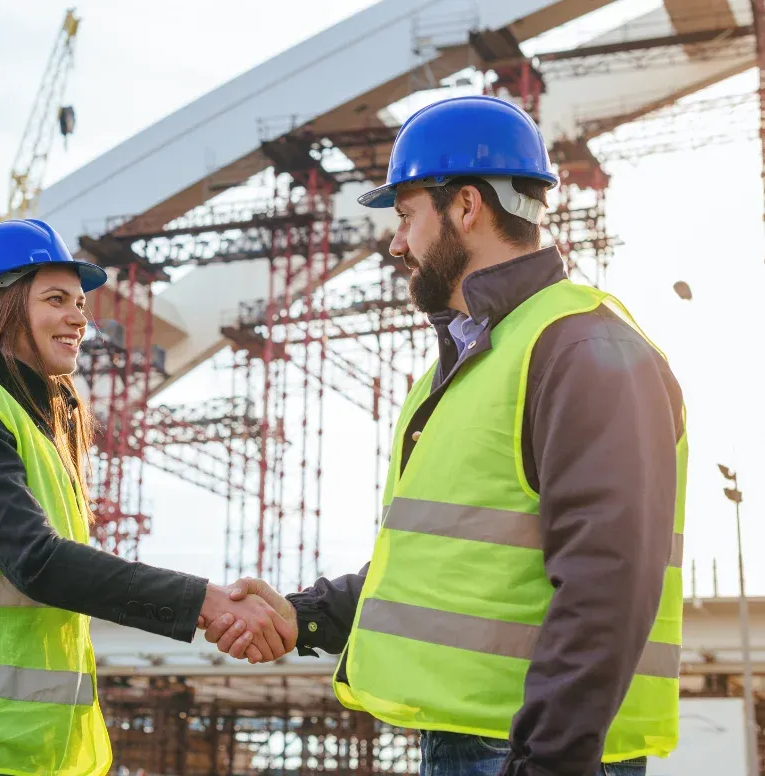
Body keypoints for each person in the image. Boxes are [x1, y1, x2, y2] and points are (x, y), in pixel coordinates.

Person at [203, 95, 687, 776]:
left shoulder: (584, 349)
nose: (396, 243)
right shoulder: (480, 359)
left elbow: (606, 583)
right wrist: (305, 614)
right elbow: (448, 568)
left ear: (465, 207)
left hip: (532, 753)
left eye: (404, 216)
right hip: (472, 744)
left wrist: (546, 762)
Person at [0, 218, 295, 776]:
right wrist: (204, 602)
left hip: (21, 753)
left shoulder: (36, 429)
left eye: (81, 303)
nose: (79, 318)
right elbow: (37, 563)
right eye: (56, 299)